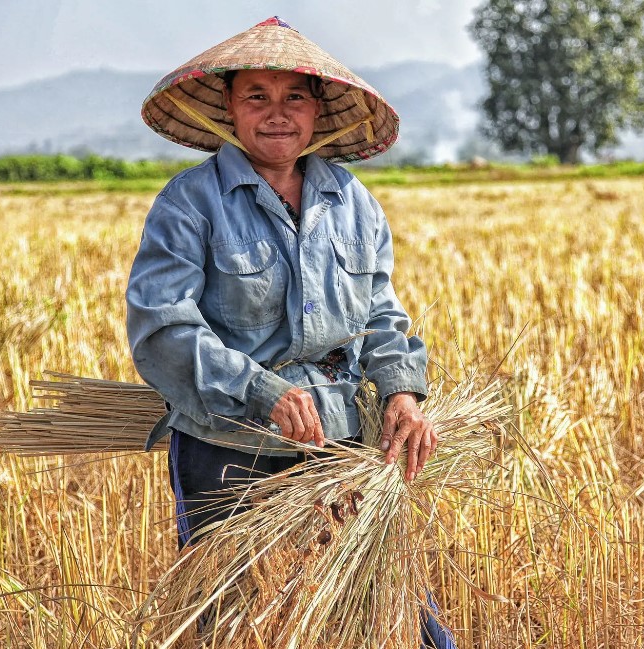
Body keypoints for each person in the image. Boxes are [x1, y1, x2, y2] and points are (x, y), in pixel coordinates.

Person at [126, 17, 454, 648]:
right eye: (257, 96)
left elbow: (381, 310)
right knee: (222, 619)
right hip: (228, 443)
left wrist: (402, 392)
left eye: (293, 97)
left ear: (317, 109)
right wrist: (262, 391)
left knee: (396, 608)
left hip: (340, 438)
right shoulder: (191, 202)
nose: (277, 114)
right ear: (228, 107)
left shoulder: (351, 200)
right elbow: (161, 326)